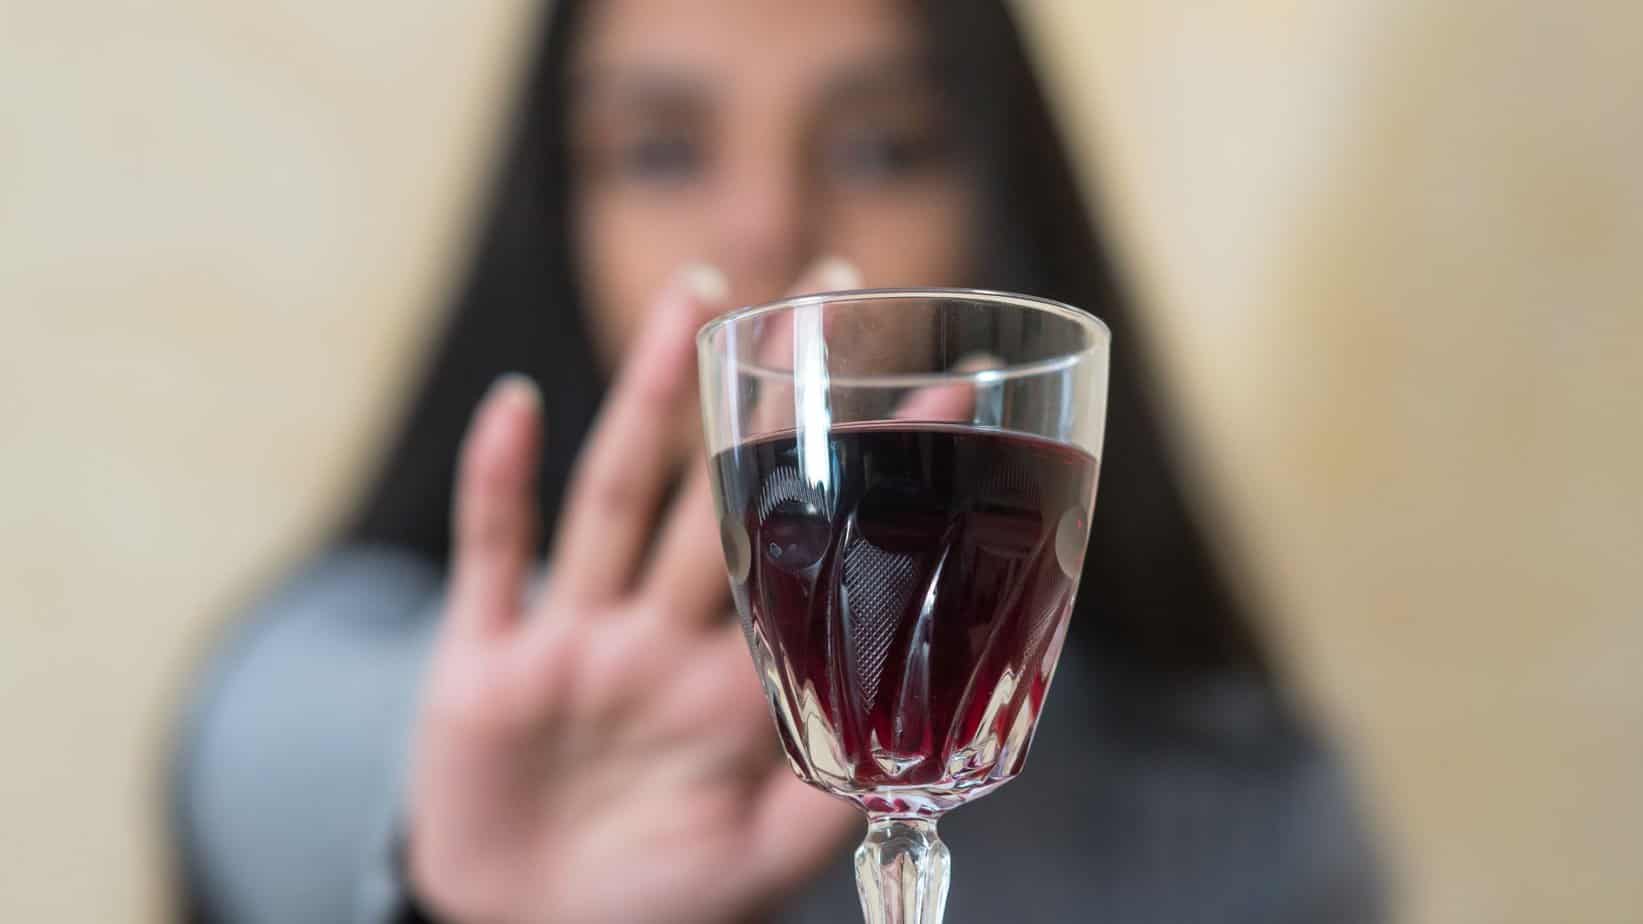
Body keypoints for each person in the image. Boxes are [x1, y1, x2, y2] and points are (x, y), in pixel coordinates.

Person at [174, 1, 1385, 921]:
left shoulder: (1239, 817)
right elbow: (286, 770)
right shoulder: (312, 692)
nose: (763, 223)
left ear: (1002, 200)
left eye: (878, 150)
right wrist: (467, 891)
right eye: (659, 151)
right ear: (556, 216)